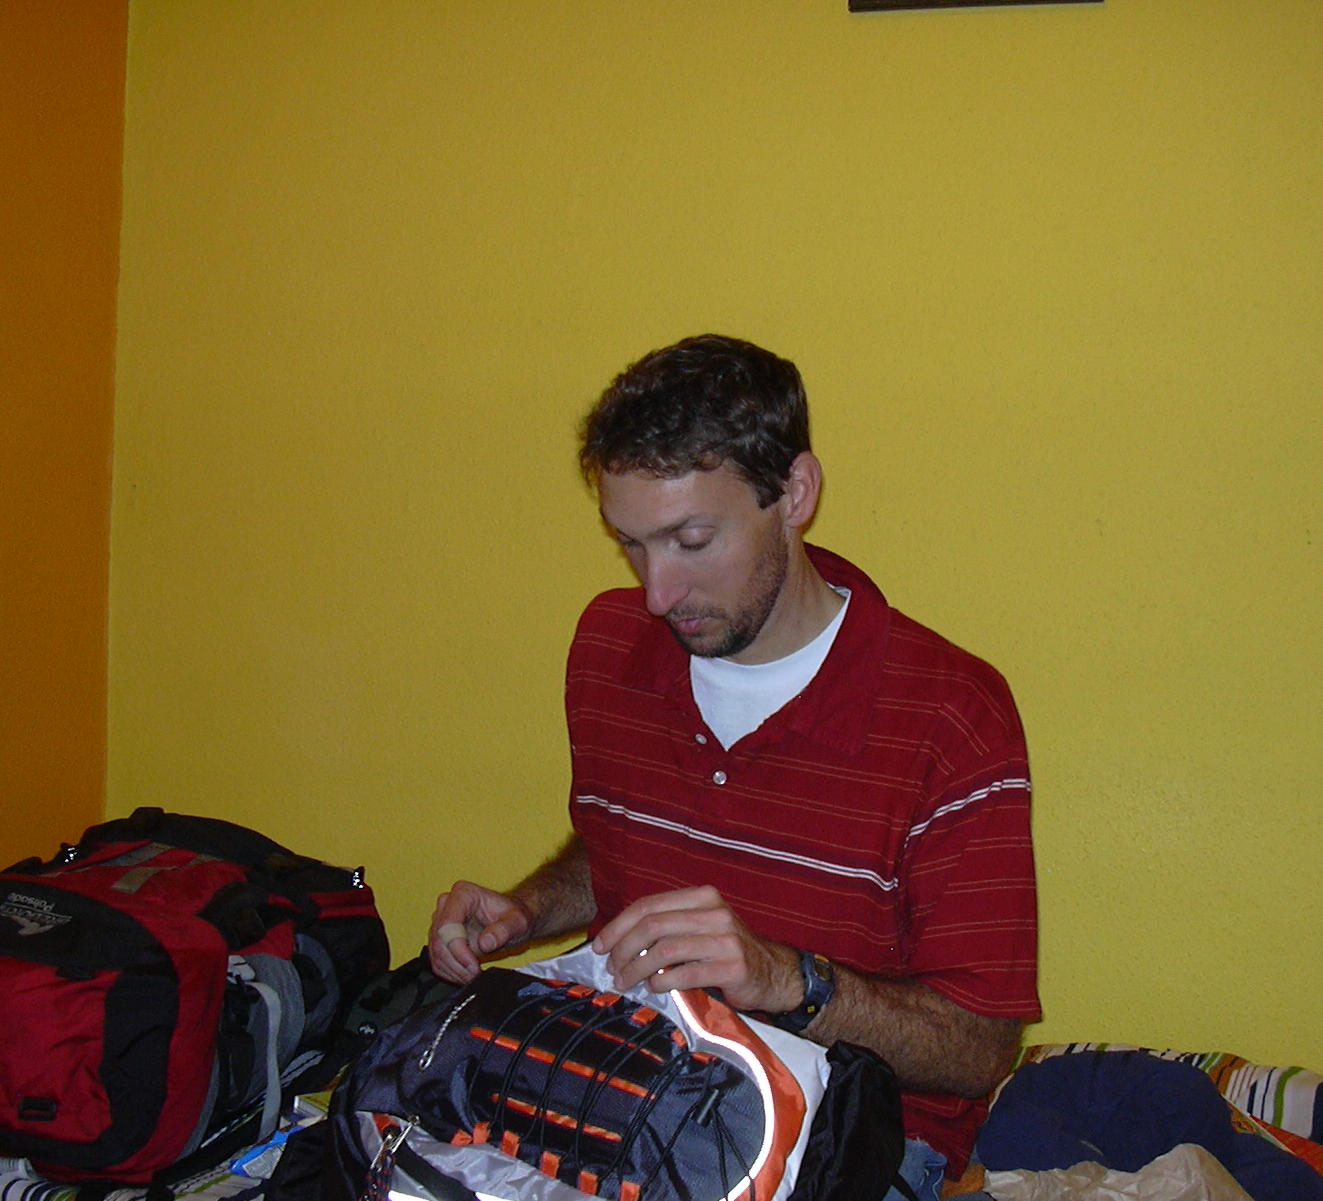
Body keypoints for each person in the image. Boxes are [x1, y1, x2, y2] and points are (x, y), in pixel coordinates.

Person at [430, 334, 1039, 1198]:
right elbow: (616, 845)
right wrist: (526, 911)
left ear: (794, 493)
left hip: (850, 1145)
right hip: (627, 1098)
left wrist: (787, 981)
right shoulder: (609, 647)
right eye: (631, 544)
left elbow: (979, 1050)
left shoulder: (951, 716)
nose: (657, 593)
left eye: (691, 539)